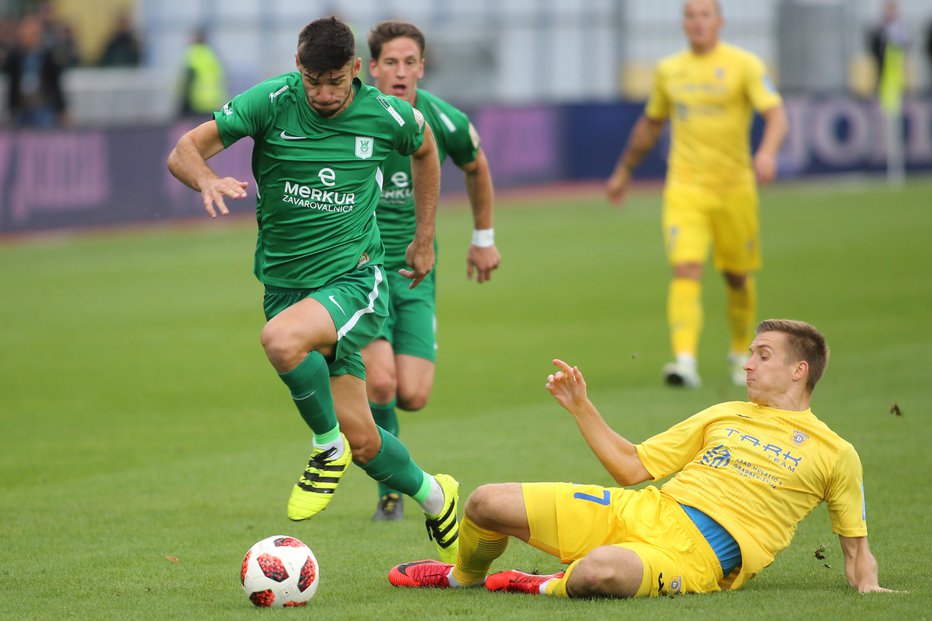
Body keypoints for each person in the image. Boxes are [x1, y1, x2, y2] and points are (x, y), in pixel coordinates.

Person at [166, 16, 460, 562]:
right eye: (313, 81)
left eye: (335, 82)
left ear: (355, 69)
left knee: (280, 342)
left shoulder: (386, 112)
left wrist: (424, 238)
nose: (324, 94)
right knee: (367, 444)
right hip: (285, 286)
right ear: (298, 69)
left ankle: (325, 449)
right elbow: (185, 148)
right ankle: (438, 496)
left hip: (353, 280)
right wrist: (206, 178)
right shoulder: (272, 100)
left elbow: (425, 149)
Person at [387, 319, 896, 598]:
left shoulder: (836, 453)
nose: (748, 363)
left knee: (598, 572)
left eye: (763, 354)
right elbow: (631, 468)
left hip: (695, 558)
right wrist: (582, 407)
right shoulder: (725, 414)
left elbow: (855, 551)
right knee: (483, 502)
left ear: (798, 370)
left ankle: (541, 584)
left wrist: (871, 589)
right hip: (645, 510)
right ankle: (462, 576)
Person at [605, 0, 788, 389]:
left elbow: (776, 114)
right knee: (685, 268)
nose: (697, 22)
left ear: (719, 21)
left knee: (737, 276)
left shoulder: (744, 65)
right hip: (685, 189)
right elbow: (650, 125)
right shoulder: (670, 70)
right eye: (690, 15)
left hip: (735, 189)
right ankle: (684, 361)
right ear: (683, 23)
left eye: (704, 15)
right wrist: (623, 172)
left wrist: (768, 153)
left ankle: (742, 353)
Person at [364, 20, 501, 521]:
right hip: (361, 272)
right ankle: (391, 490)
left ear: (422, 66)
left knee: (413, 395)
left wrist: (482, 239)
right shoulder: (353, 116)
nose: (400, 72)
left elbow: (477, 166)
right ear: (371, 67)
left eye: (409, 62)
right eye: (390, 63)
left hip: (418, 271)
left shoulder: (443, 120)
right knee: (380, 386)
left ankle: (365, 428)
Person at [2, 13, 69, 128]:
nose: (27, 38)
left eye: (31, 34)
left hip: (44, 107)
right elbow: (11, 79)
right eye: (24, 34)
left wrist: (62, 108)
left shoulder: (47, 56)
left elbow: (55, 84)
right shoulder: (15, 56)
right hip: (21, 108)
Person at [178, 26, 227, 118]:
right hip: (215, 102)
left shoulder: (193, 54)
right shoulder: (212, 54)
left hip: (197, 103)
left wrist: (182, 106)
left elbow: (188, 80)